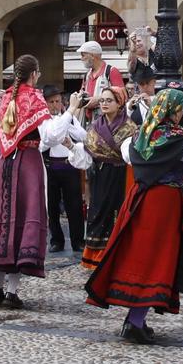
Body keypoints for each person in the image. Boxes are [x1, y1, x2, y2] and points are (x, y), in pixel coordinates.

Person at [86, 88, 183, 341]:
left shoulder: (139, 136)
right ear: (173, 111)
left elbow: (128, 154)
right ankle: (135, 322)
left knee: (137, 256)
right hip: (163, 203)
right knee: (156, 258)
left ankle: (134, 318)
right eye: (181, 108)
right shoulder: (176, 138)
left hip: (137, 199)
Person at [0, 55, 54, 308]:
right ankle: (12, 292)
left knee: (4, 220)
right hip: (28, 162)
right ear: (34, 74)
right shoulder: (35, 97)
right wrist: (70, 113)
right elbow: (49, 135)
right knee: (23, 220)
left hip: (4, 163)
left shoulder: (6, 97)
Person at [79, 86, 134, 267]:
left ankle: (115, 256)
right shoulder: (95, 126)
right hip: (99, 174)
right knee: (98, 212)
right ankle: (95, 256)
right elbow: (88, 149)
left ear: (120, 103)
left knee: (116, 213)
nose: (104, 104)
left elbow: (129, 153)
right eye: (102, 100)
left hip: (120, 174)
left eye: (109, 100)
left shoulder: (129, 127)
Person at [41, 86, 90, 254]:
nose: (55, 105)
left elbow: (83, 135)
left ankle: (78, 240)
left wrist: (66, 126)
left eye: (57, 101)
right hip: (50, 166)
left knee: (74, 205)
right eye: (51, 102)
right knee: (52, 206)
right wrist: (56, 132)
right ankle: (56, 240)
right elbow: (43, 143)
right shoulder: (43, 120)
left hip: (69, 165)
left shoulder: (68, 118)